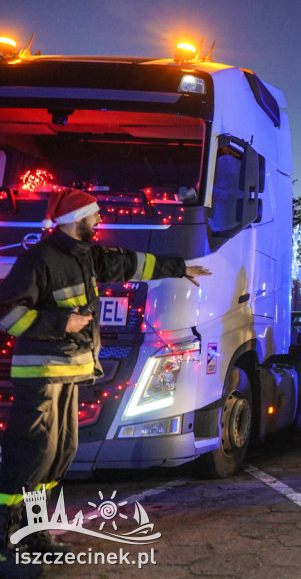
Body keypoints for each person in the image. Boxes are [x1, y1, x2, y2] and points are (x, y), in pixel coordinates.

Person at [0, 189, 210, 575]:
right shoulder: (40, 259)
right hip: (41, 374)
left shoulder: (85, 257)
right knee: (31, 455)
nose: (100, 221)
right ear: (74, 218)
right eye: (93, 215)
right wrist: (62, 323)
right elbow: (9, 314)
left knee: (61, 451)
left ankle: (32, 533)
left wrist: (179, 268)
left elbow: (132, 263)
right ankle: (5, 538)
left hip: (68, 372)